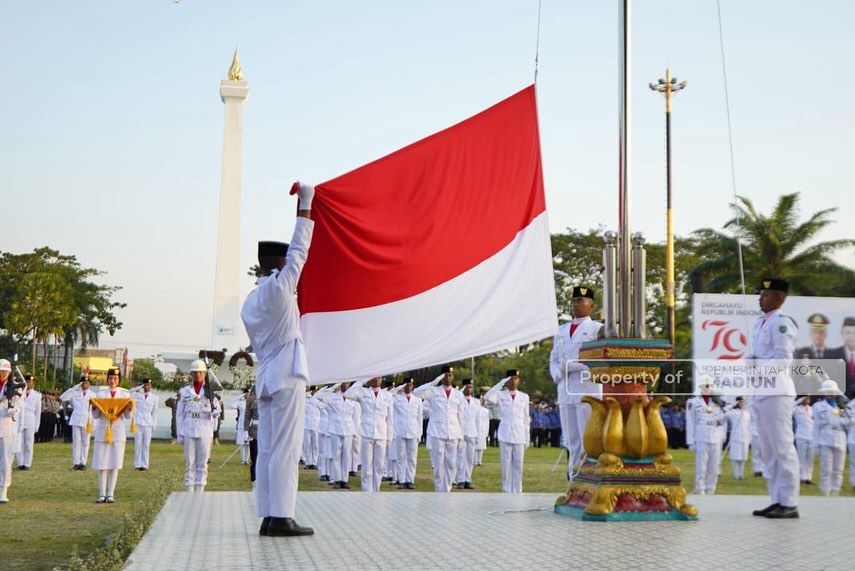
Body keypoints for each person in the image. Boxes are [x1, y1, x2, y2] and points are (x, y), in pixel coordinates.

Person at [240, 181, 315, 537]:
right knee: (286, 448)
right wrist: (306, 202)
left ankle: (269, 515)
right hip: (287, 376)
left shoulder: (249, 301)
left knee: (268, 449)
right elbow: (300, 249)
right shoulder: (281, 289)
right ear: (280, 263)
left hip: (267, 377)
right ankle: (282, 516)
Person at [749, 278, 800, 519]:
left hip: (778, 392)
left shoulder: (781, 323)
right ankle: (777, 499)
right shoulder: (760, 323)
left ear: (779, 298)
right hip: (762, 391)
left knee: (782, 447)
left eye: (765, 295)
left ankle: (790, 502)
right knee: (767, 450)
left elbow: (782, 359)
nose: (760, 298)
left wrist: (758, 369)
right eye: (760, 294)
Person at [549, 286, 603, 475]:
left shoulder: (597, 329)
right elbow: (554, 357)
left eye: (581, 301)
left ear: (591, 305)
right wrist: (558, 373)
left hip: (587, 388)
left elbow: (600, 358)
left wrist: (573, 366)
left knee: (587, 437)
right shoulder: (561, 330)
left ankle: (587, 476)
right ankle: (573, 478)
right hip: (565, 387)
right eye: (573, 301)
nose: (576, 304)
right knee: (570, 439)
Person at [413, 366, 465, 492]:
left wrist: (461, 436)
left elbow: (461, 416)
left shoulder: (458, 394)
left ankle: (447, 489)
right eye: (445, 375)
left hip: (453, 432)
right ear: (441, 377)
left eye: (450, 375)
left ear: (453, 377)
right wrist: (433, 382)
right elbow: (416, 392)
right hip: (437, 431)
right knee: (438, 463)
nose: (448, 378)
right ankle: (439, 490)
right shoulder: (433, 391)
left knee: (451, 463)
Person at [483, 369, 531, 493]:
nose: (514, 381)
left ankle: (517, 491)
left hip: (519, 433)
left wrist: (527, 436)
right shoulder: (500, 395)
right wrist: (500, 384)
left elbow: (526, 418)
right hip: (505, 433)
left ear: (519, 380)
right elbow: (487, 397)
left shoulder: (524, 397)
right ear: (507, 381)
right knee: (506, 465)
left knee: (518, 465)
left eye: (516, 378)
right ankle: (506, 491)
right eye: (511, 379)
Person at [176, 359, 220, 492]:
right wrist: (179, 433)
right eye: (195, 372)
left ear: (205, 373)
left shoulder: (211, 390)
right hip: (189, 427)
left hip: (205, 427)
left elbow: (217, 409)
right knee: (189, 462)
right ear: (191, 374)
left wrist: (215, 413)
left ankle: (200, 490)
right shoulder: (184, 391)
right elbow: (179, 414)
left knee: (202, 462)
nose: (197, 375)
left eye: (200, 372)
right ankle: (189, 490)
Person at [90, 367, 133, 503]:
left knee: (115, 463)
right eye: (110, 378)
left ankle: (110, 493)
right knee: (102, 463)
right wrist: (94, 407)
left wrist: (129, 408)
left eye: (115, 378)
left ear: (119, 380)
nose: (112, 380)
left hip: (117, 431)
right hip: (103, 430)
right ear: (107, 379)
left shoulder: (125, 395)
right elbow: (96, 416)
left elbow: (127, 416)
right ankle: (102, 493)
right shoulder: (101, 394)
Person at [345, 377, 394, 492]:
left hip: (381, 434)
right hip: (366, 433)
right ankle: (366, 492)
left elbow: (390, 419)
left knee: (379, 467)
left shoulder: (387, 395)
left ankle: (376, 491)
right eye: (374, 377)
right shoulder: (363, 392)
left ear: (382, 380)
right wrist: (362, 381)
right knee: (366, 467)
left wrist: (389, 438)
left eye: (379, 377)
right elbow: (347, 394)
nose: (376, 380)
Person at [685, 376, 726, 494]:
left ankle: (711, 488)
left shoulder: (718, 401)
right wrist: (691, 441)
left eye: (710, 385)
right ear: (701, 387)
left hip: (716, 436)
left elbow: (723, 421)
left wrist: (723, 436)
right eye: (706, 385)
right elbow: (690, 422)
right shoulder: (693, 402)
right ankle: (700, 488)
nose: (708, 388)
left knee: (714, 466)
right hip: (701, 436)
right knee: (701, 465)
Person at [316, 383, 358, 490]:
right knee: (336, 456)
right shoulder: (332, 396)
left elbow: (356, 416)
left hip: (348, 429)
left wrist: (355, 433)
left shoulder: (353, 397)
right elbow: (317, 397)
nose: (345, 385)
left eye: (347, 383)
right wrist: (333, 387)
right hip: (335, 429)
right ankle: (337, 479)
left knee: (346, 456)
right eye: (342, 383)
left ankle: (345, 480)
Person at [812, 379, 847, 496]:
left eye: (832, 392)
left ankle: (835, 492)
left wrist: (843, 411)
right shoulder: (818, 406)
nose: (830, 394)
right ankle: (825, 492)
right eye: (828, 391)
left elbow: (847, 423)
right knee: (826, 469)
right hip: (825, 438)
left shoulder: (841, 407)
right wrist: (815, 444)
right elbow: (816, 426)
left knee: (838, 469)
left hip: (840, 438)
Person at [392, 378, 423, 489]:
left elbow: (420, 418)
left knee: (412, 458)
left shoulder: (417, 400)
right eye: (406, 385)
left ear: (413, 386)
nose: (408, 387)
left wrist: (419, 434)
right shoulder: (397, 399)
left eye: (410, 385)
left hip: (413, 431)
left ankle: (410, 480)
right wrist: (398, 388)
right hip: (400, 431)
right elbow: (389, 395)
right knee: (401, 457)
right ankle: (401, 480)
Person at [60, 374, 94, 470]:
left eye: (87, 382)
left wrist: (94, 423)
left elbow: (94, 410)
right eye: (84, 382)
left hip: (87, 420)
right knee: (76, 442)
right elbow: (63, 397)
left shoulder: (93, 395)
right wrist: (74, 388)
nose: (85, 384)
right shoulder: (74, 392)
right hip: (76, 419)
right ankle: (76, 462)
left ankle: (83, 462)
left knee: (85, 442)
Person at [0, 359, 23, 502]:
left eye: (4, 371)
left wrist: (14, 410)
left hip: (6, 426)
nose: (2, 373)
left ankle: (3, 490)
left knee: (5, 460)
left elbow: (19, 404)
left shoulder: (14, 386)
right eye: (0, 371)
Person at [456, 379, 482, 490]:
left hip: (472, 432)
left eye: (471, 387)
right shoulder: (458, 400)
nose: (469, 389)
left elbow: (478, 420)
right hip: (461, 432)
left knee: (470, 458)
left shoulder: (476, 402)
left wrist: (478, 435)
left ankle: (468, 479)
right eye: (467, 386)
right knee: (461, 457)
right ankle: (460, 480)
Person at [15, 374, 41, 470]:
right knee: (19, 442)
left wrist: (37, 425)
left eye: (30, 382)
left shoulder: (37, 395)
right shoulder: (19, 393)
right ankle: (20, 462)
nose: (28, 383)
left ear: (33, 383)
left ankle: (27, 463)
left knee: (28, 443)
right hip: (20, 420)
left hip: (30, 420)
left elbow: (38, 412)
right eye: (26, 382)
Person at [132, 379, 158, 471]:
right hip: (138, 422)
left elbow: (155, 412)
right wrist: (138, 388)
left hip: (148, 423)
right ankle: (137, 464)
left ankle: (145, 464)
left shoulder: (155, 398)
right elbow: (130, 393)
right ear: (143, 386)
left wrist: (154, 425)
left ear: (151, 386)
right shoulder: (137, 395)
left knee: (146, 445)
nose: (147, 387)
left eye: (149, 385)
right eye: (146, 385)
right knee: (138, 444)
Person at [826, 317, 855, 399]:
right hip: (838, 403)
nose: (851, 336)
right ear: (842, 333)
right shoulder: (831, 356)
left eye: (854, 333)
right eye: (848, 332)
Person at [725, 397, 751, 480]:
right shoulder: (733, 413)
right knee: (736, 457)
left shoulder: (747, 414)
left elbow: (749, 426)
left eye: (743, 402)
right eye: (740, 402)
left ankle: (741, 474)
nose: (741, 404)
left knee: (743, 458)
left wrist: (750, 438)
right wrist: (732, 406)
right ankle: (736, 474)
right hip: (736, 437)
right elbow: (725, 412)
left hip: (745, 437)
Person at [793, 396, 815, 484]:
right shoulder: (797, 409)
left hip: (811, 436)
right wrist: (798, 400)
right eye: (805, 398)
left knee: (810, 458)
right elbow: (790, 407)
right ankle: (802, 477)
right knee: (801, 457)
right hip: (801, 436)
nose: (807, 400)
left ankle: (808, 477)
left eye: (808, 398)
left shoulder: (812, 409)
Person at [229, 389, 250, 465]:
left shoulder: (252, 402)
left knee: (248, 444)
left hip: (249, 424)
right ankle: (243, 459)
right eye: (247, 393)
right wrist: (240, 396)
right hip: (241, 424)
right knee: (242, 442)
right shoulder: (240, 403)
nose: (248, 395)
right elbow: (231, 405)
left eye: (249, 393)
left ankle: (247, 459)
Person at [243, 386, 259, 487]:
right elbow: (247, 416)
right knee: (255, 458)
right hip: (255, 431)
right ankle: (255, 482)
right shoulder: (251, 398)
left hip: (268, 430)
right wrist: (246, 431)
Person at [302, 387, 320, 470]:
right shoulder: (306, 398)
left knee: (316, 445)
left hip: (316, 424)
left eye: (316, 390)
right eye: (314, 390)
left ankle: (314, 462)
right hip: (307, 423)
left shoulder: (319, 398)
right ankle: (308, 462)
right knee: (307, 444)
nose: (315, 392)